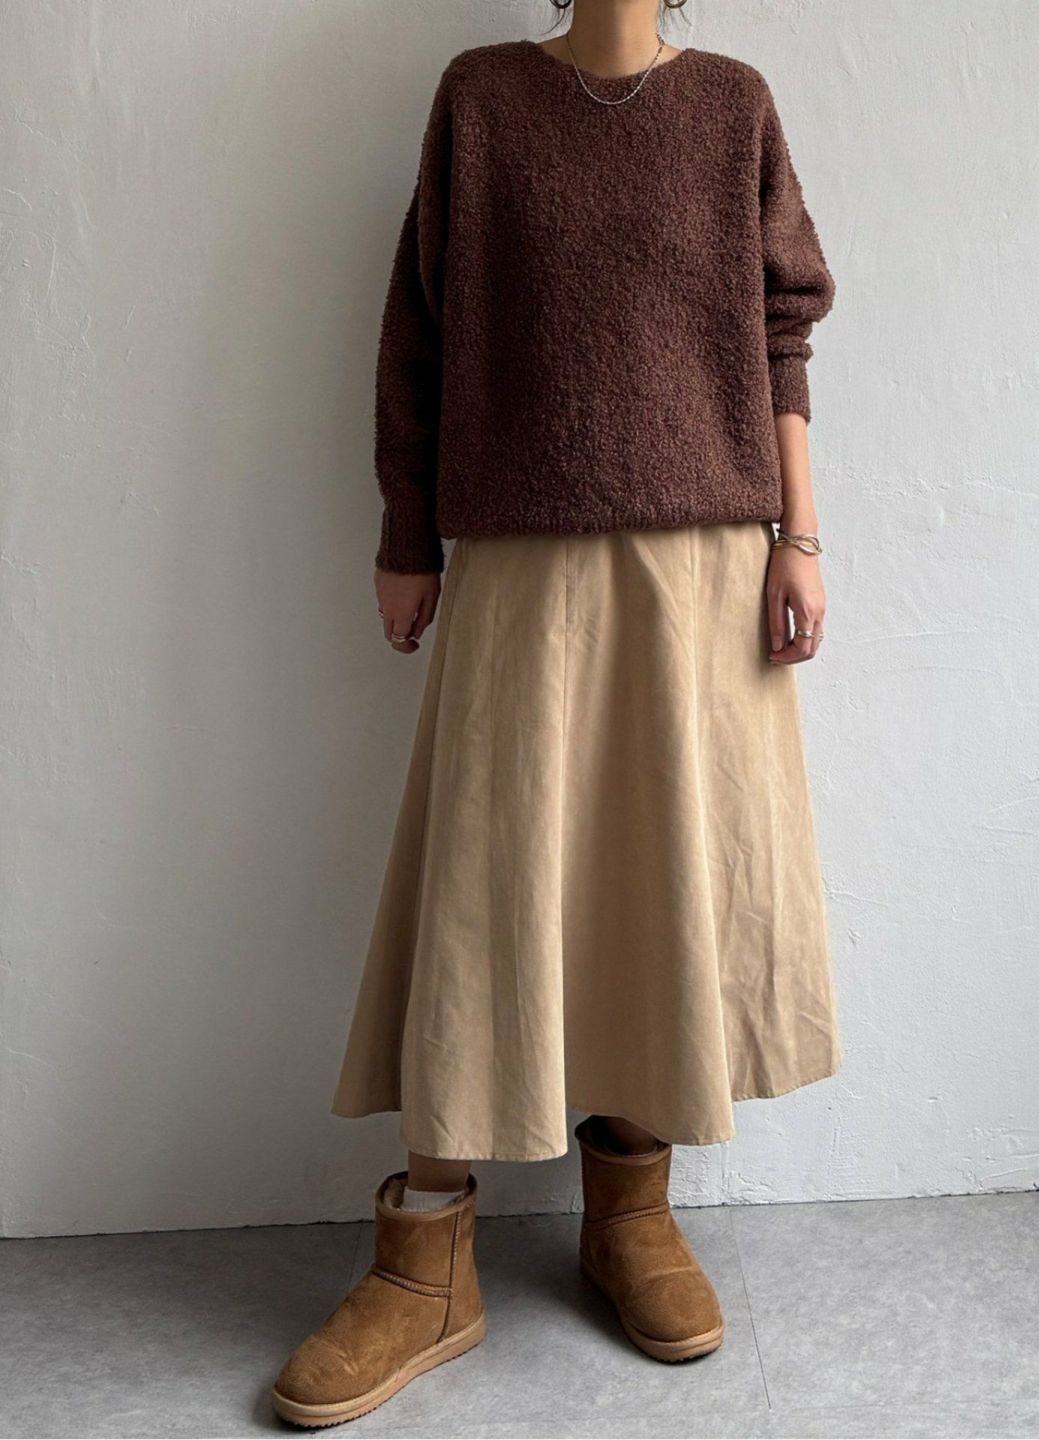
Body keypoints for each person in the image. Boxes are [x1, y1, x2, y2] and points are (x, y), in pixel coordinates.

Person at [271, 0, 840, 1426]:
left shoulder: (734, 107)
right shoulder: (480, 101)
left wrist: (802, 537)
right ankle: (424, 1261)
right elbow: (416, 333)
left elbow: (784, 331)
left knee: (659, 881)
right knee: (485, 882)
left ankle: (630, 1214)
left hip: (701, 568)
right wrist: (406, 532)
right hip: (519, 558)